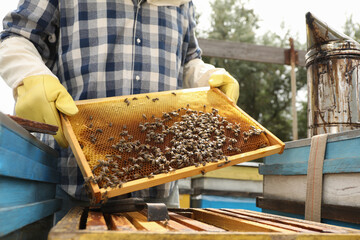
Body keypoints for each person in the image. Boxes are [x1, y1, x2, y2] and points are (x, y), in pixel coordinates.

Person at [0, 0, 239, 221]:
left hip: (161, 186)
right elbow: (17, 36)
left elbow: (187, 59)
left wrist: (204, 77)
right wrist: (30, 76)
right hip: (74, 183)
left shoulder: (182, 2)